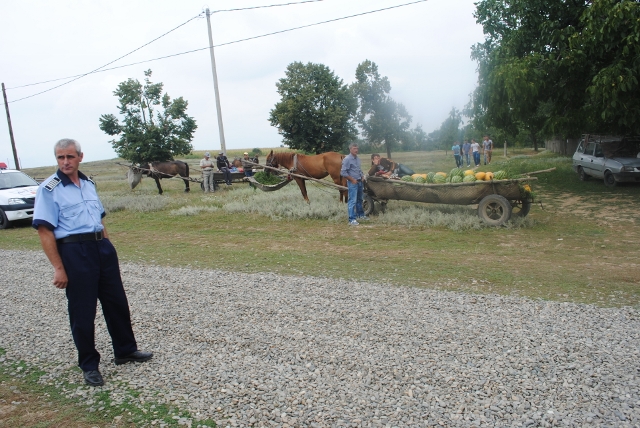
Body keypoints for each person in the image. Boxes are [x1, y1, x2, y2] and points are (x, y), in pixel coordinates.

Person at [32, 138, 152, 387]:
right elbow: (45, 231)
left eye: (70, 157)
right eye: (60, 158)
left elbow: (98, 218)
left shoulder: (88, 184)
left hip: (101, 248)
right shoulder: (49, 189)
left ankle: (125, 350)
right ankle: (89, 364)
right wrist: (58, 267)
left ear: (80, 157)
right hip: (75, 252)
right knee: (83, 312)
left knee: (116, 302)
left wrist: (107, 245)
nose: (65, 162)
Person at [341, 143, 368, 226]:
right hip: (353, 183)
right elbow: (343, 172)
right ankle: (351, 219)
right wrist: (352, 180)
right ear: (350, 149)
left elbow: (358, 169)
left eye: (357, 148)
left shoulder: (357, 159)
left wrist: (362, 175)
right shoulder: (347, 159)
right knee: (352, 201)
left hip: (360, 182)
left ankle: (360, 215)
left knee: (360, 199)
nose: (356, 150)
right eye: (354, 148)